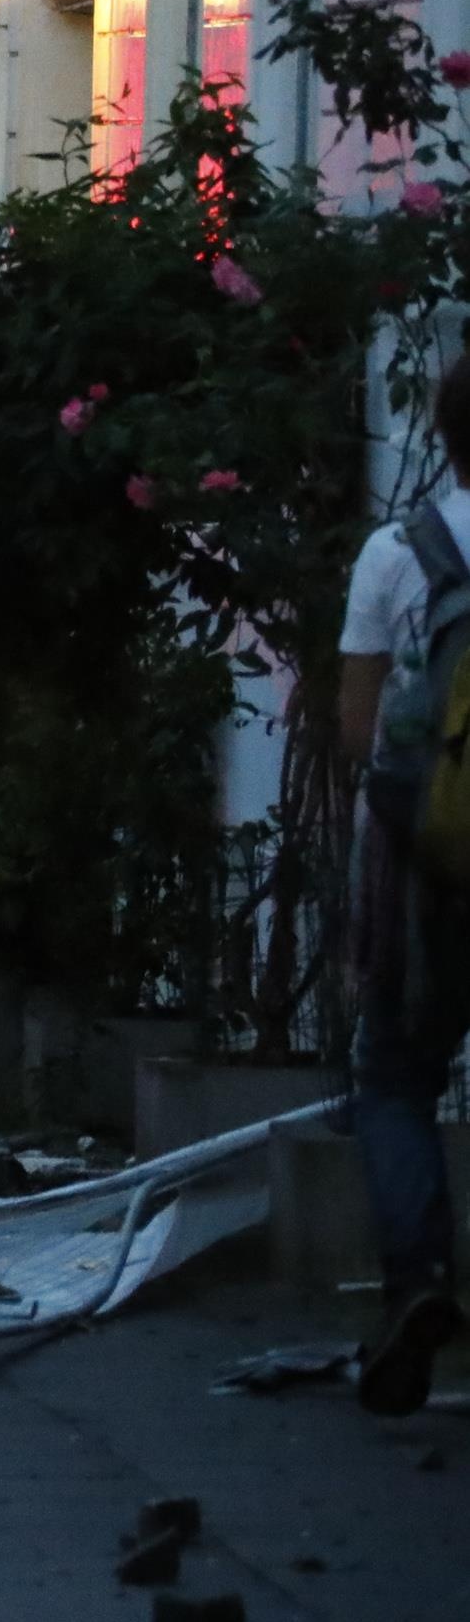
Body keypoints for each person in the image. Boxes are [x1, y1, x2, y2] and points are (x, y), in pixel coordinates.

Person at [341, 350, 470, 1415]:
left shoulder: (397, 553)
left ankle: (418, 1279)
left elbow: (357, 725)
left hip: (423, 860)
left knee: (392, 1072)